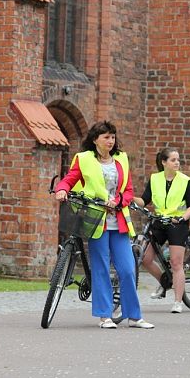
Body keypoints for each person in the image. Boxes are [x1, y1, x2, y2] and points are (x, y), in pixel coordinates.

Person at [54, 121, 154, 329]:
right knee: (100, 269)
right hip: (96, 221)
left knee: (127, 270)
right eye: (106, 137)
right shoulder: (84, 159)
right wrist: (61, 190)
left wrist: (118, 202)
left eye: (113, 137)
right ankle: (104, 315)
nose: (111, 141)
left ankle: (134, 316)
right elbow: (69, 180)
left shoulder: (121, 159)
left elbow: (128, 191)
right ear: (95, 139)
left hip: (118, 222)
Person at [133, 148, 190, 314]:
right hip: (159, 222)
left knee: (176, 263)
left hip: (178, 223)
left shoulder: (185, 181)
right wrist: (129, 197)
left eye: (178, 160)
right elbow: (144, 200)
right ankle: (165, 281)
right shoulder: (155, 179)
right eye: (173, 160)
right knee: (146, 258)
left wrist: (183, 218)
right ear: (163, 162)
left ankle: (177, 302)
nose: (177, 163)